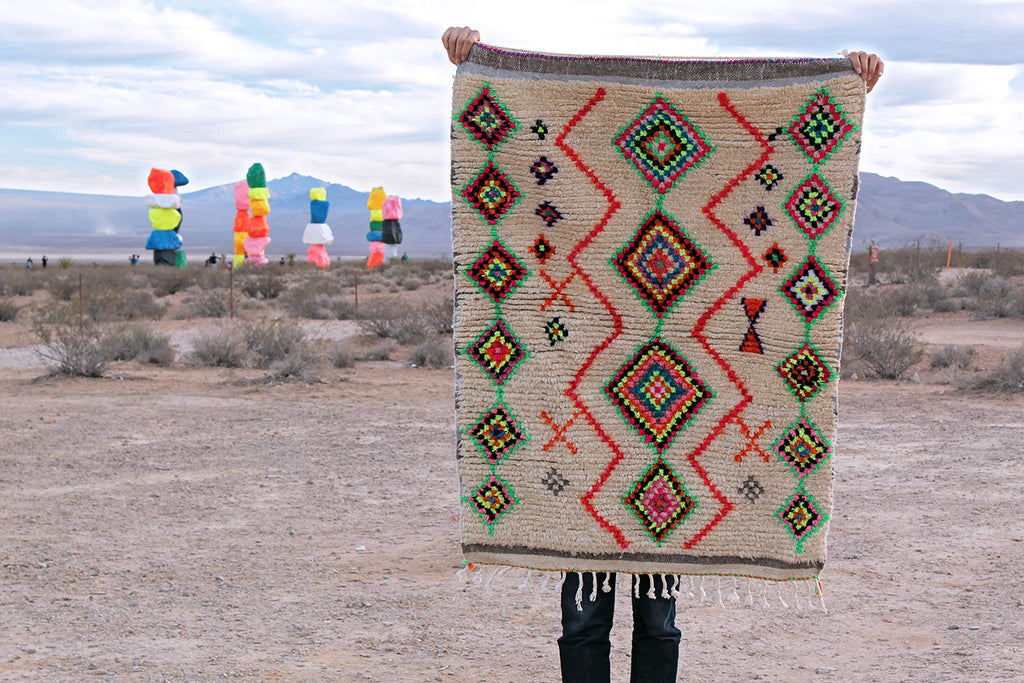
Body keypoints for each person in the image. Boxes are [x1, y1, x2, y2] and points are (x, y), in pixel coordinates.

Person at [441, 26, 885, 683]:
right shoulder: (590, 216)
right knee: (586, 620)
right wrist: (472, 58)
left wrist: (847, 80)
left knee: (657, 621)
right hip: (597, 443)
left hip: (673, 436)